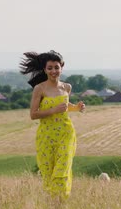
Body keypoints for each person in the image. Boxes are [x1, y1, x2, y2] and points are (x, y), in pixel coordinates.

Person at [19, 50, 86, 199]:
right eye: (50, 68)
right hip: (46, 136)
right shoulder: (40, 89)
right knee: (49, 173)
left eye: (56, 67)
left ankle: (60, 203)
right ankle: (53, 205)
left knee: (62, 170)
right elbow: (33, 114)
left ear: (62, 67)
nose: (53, 71)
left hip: (65, 133)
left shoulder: (67, 87)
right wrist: (53, 110)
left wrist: (77, 108)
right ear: (45, 69)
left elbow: (65, 106)